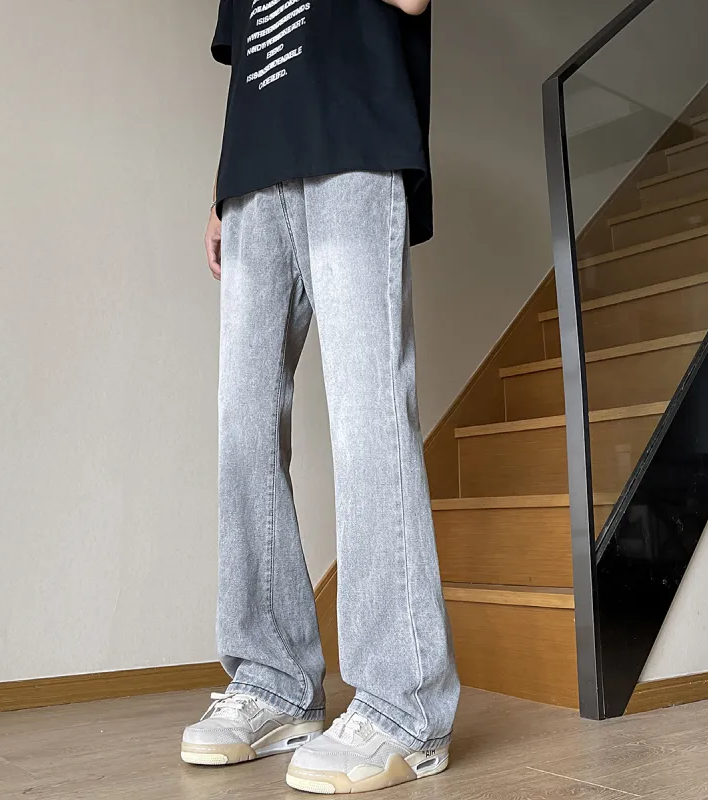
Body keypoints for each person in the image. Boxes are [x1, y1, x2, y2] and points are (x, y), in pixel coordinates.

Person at [181, 0, 459, 793]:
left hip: (353, 139)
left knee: (368, 416)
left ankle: (406, 705)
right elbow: (249, 65)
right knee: (243, 426)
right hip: (253, 175)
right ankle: (274, 682)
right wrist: (222, 188)